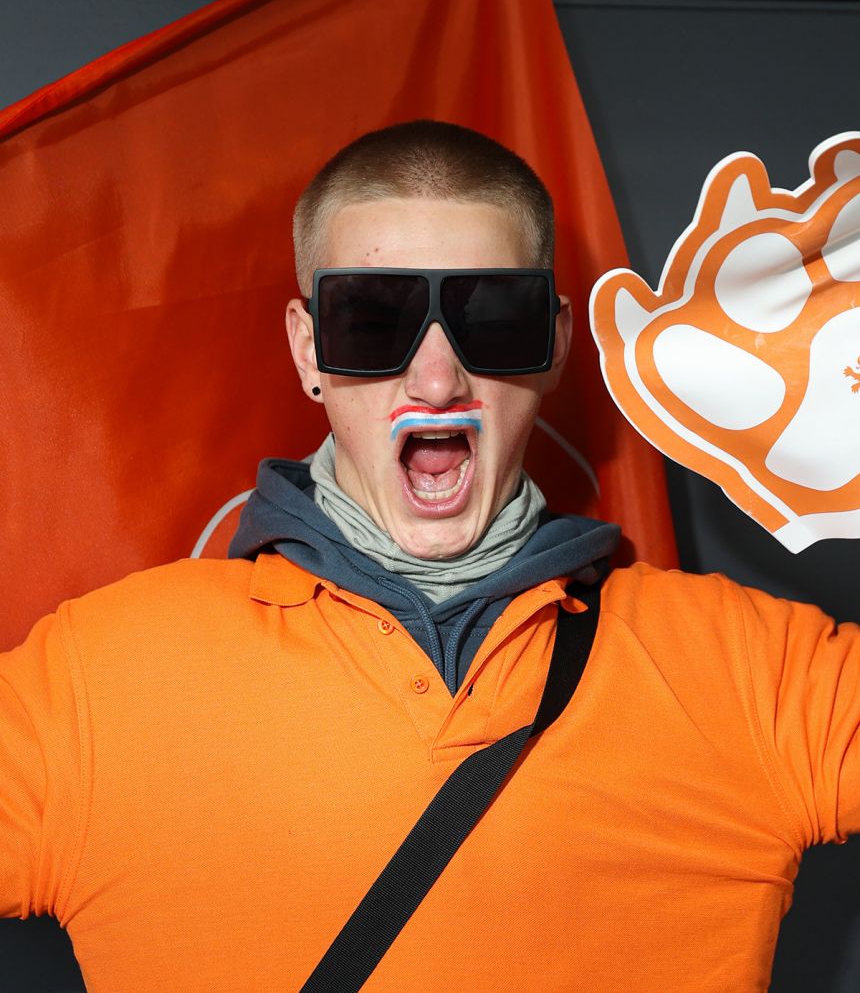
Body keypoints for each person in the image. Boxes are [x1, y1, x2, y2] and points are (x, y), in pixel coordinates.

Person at [1, 120, 857, 992]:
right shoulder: (96, 680)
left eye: (492, 316)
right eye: (374, 320)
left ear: (557, 341)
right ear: (308, 350)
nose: (437, 378)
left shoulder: (754, 673)